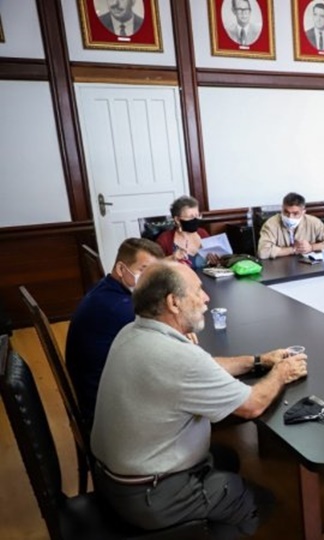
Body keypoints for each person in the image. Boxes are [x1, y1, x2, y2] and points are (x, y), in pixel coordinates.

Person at [91, 262, 307, 536]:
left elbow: (203, 367)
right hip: (150, 495)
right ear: (173, 302)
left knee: (225, 457)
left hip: (115, 478)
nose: (206, 297)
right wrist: (281, 372)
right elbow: (253, 406)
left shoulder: (131, 332)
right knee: (262, 501)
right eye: (197, 290)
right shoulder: (178, 358)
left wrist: (259, 361)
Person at [66, 238, 164, 427]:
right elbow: (162, 355)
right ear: (121, 269)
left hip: (98, 392)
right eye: (144, 270)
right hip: (107, 413)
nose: (151, 280)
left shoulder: (105, 288)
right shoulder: (120, 309)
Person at [257, 192, 324, 259]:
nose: (290, 217)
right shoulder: (271, 224)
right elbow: (263, 252)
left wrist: (311, 247)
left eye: (295, 213)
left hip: (306, 268)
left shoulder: (313, 222)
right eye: (286, 212)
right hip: (279, 270)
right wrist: (293, 250)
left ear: (303, 212)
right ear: (282, 208)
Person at [155, 195, 218, 269]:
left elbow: (213, 265)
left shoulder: (203, 233)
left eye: (197, 216)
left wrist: (214, 262)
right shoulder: (164, 239)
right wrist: (172, 258)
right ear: (177, 220)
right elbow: (154, 266)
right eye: (191, 217)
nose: (195, 220)